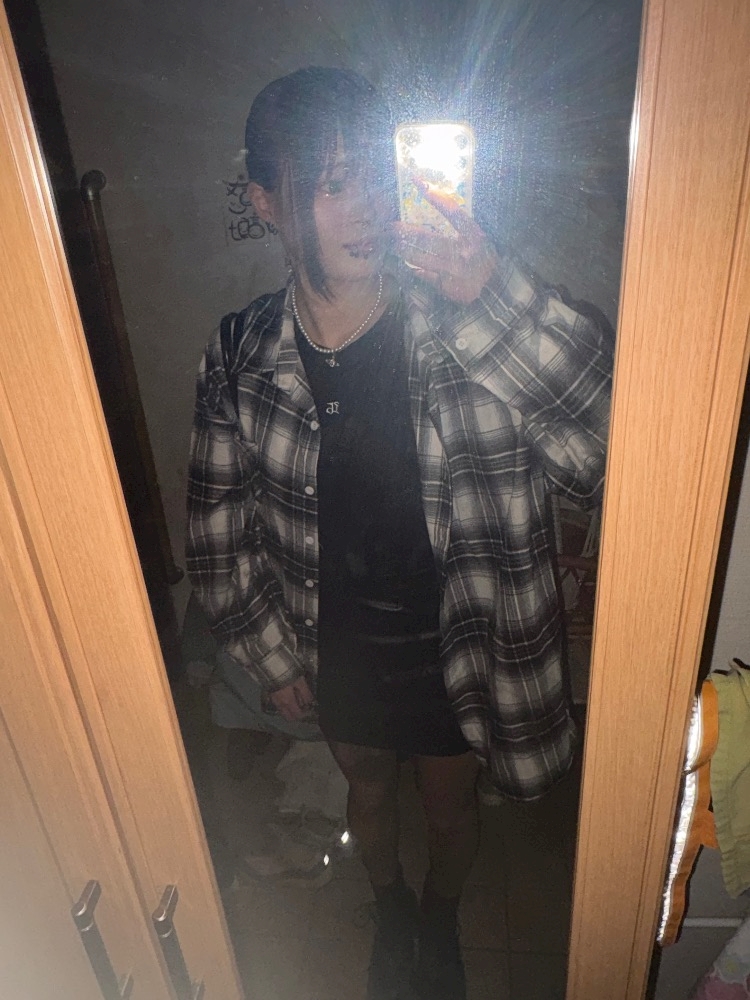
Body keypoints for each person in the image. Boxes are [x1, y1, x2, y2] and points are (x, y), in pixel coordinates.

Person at [186, 66, 612, 1000]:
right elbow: (217, 533)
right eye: (334, 183)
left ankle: (439, 918)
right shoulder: (241, 352)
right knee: (369, 791)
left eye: (378, 175)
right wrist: (271, 658)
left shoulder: (470, 317)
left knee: (450, 809)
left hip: (455, 642)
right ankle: (390, 912)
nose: (369, 207)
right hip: (335, 645)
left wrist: (490, 292)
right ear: (266, 202)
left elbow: (609, 446)